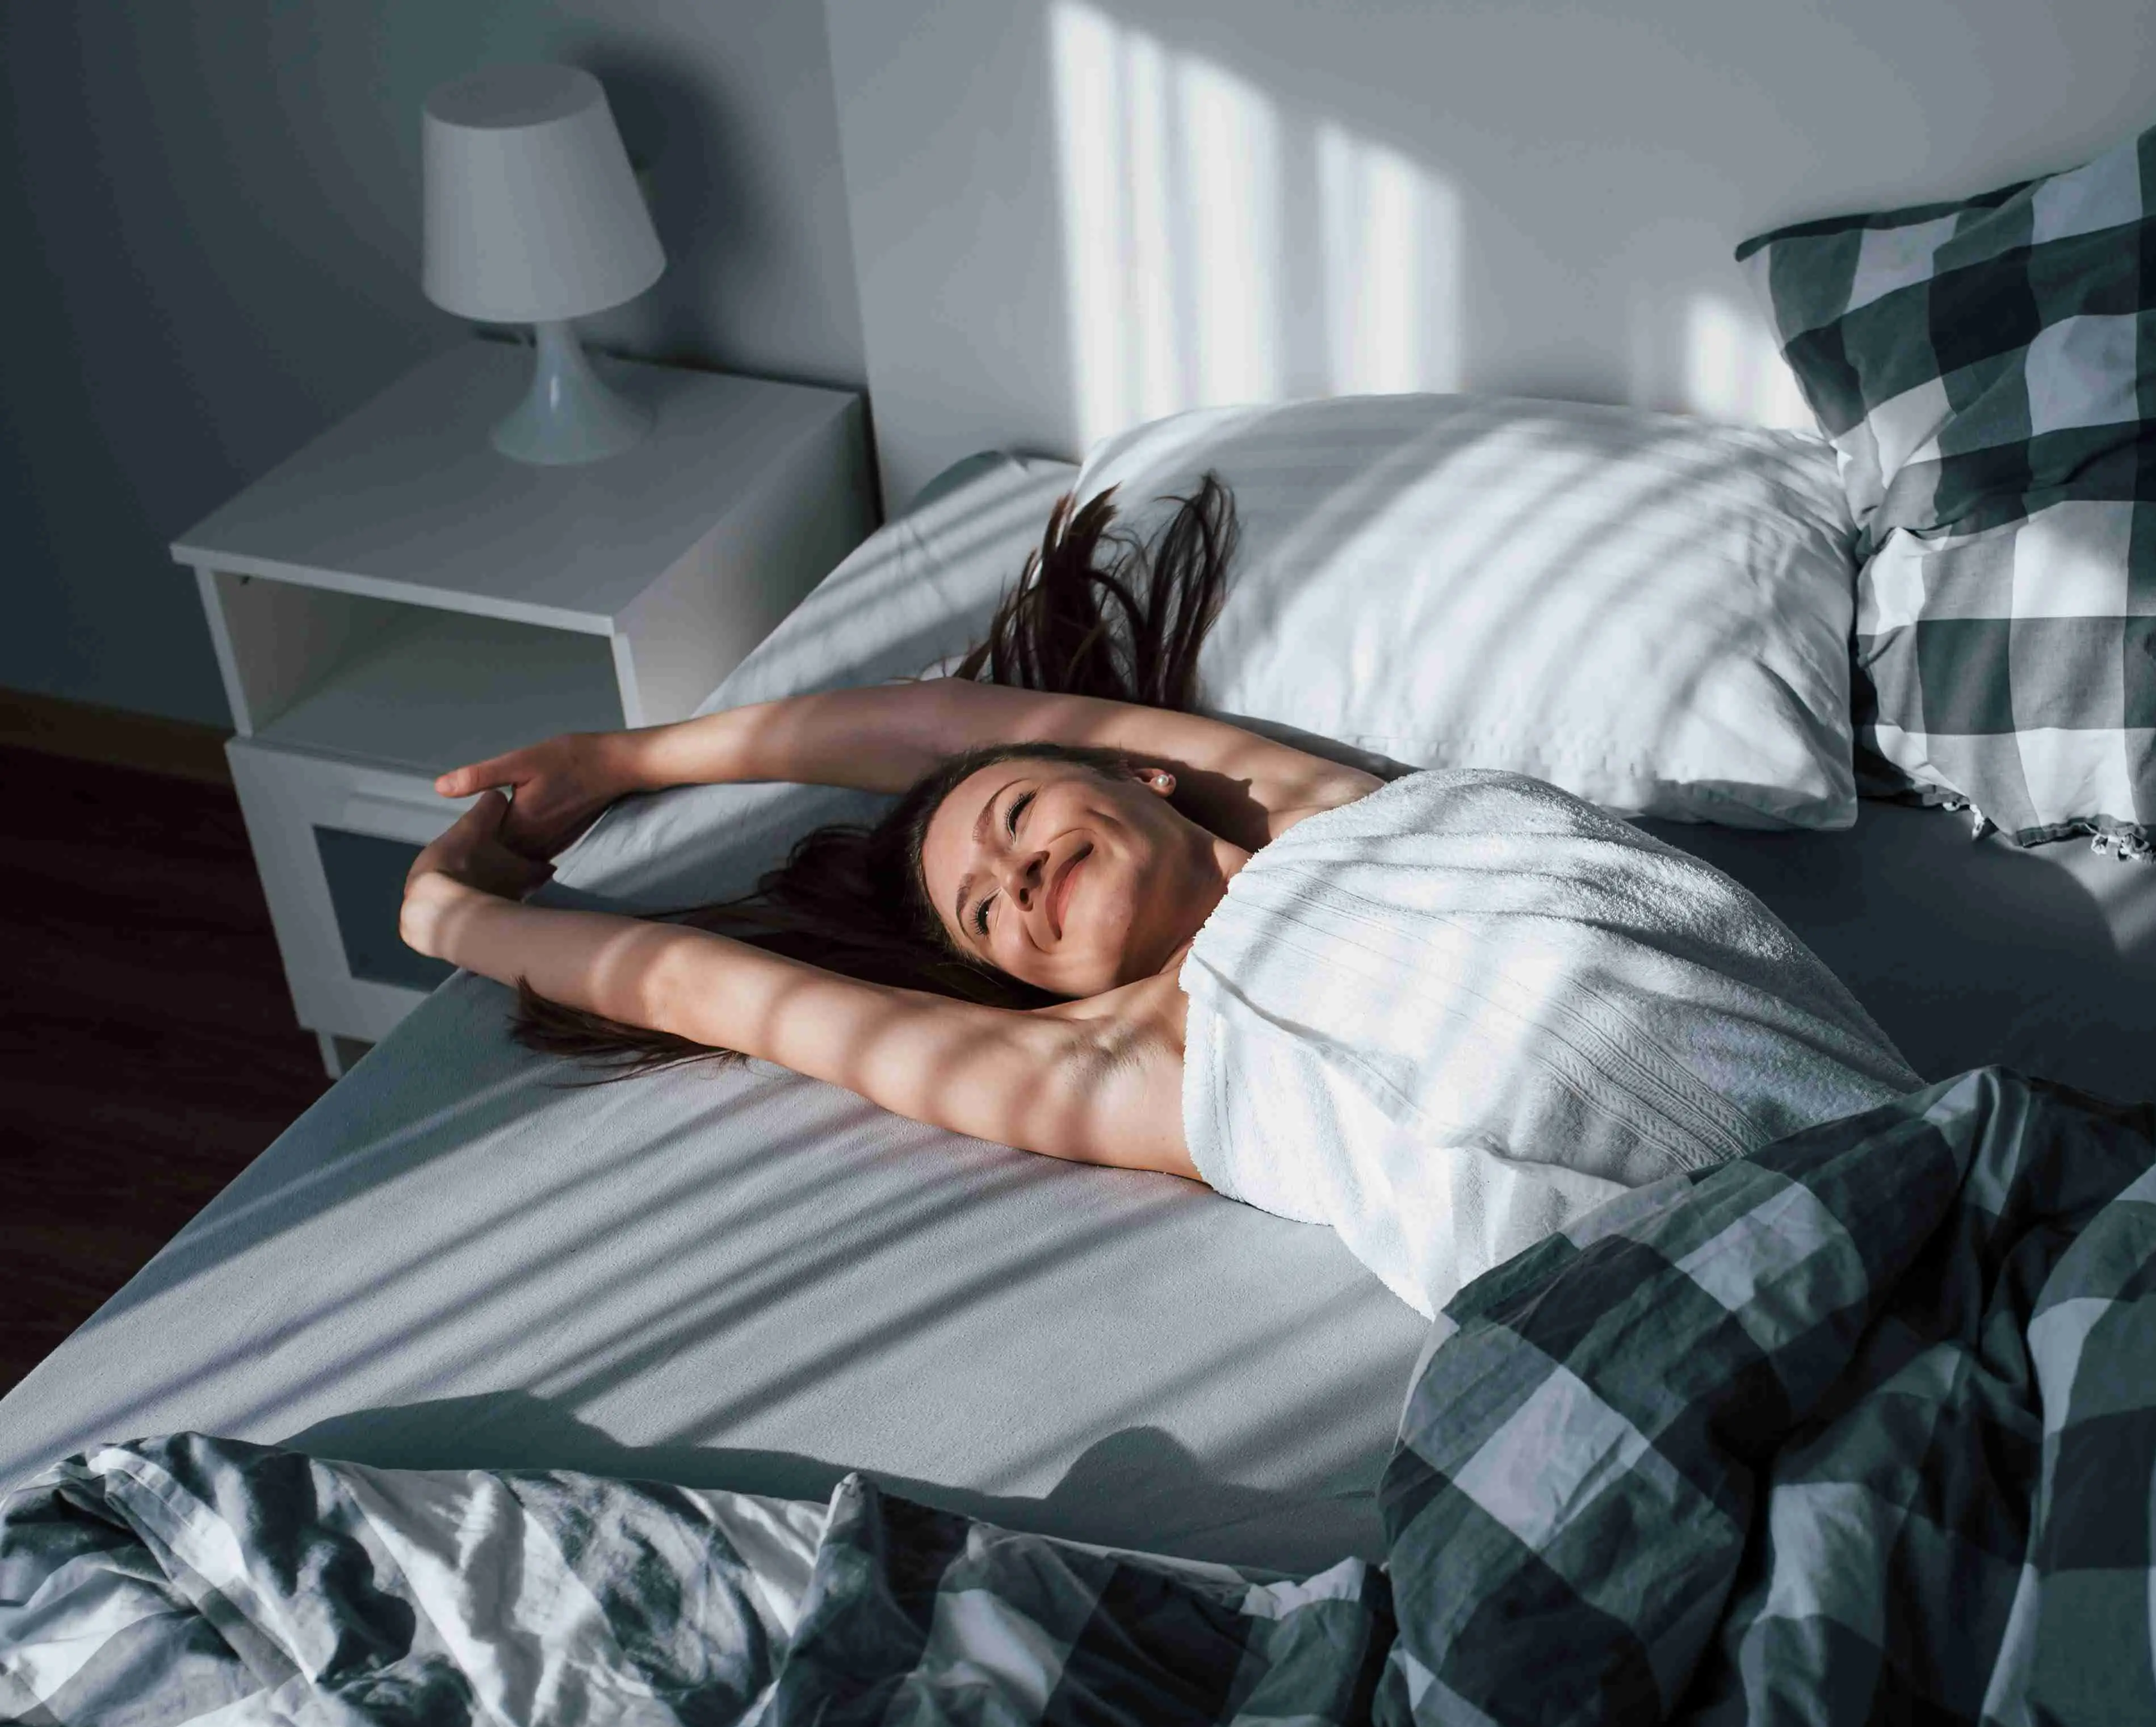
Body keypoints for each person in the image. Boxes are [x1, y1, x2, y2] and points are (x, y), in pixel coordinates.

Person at [400, 479, 1917, 1315]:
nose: (1010, 875)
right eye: (992, 918)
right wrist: (457, 921)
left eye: (1010, 815)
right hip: (1737, 1306)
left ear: (1144, 776)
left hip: (1918, 1169)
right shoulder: (1133, 1061)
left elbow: (935, 728)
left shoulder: (1316, 803)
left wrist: (632, 755)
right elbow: (730, 997)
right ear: (1038, 996)